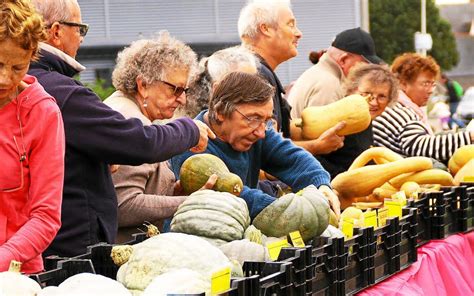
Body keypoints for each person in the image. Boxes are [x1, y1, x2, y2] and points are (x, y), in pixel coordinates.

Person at [29, 0, 214, 257]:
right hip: (71, 249)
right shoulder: (62, 92)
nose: (182, 98)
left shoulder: (45, 87)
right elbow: (139, 146)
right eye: (79, 29)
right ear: (57, 31)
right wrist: (189, 130)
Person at [171, 72, 341, 218]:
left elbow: (295, 159)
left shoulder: (258, 135)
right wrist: (294, 212)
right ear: (221, 111)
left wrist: (321, 185)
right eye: (253, 119)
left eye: (266, 121)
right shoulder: (191, 145)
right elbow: (236, 195)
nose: (261, 132)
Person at [104, 33, 214, 242]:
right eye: (175, 89)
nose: (182, 99)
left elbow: (140, 188)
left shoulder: (132, 114)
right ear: (143, 85)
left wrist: (173, 191)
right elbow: (123, 205)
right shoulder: (129, 121)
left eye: (185, 90)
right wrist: (190, 202)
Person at [0, 0, 65, 273]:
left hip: (17, 274)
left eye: (18, 67)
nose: (5, 78)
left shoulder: (42, 113)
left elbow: (46, 216)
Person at [238, 0, 344, 156]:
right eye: (291, 24)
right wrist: (316, 146)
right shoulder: (254, 75)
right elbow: (266, 149)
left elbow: (281, 131)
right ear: (265, 29)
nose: (299, 33)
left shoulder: (257, 70)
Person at [373, 53, 473, 162]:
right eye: (425, 84)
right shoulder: (399, 112)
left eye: (433, 84)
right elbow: (423, 147)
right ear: (403, 84)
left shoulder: (395, 105)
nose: (431, 90)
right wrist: (470, 137)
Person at [316, 64, 399, 178]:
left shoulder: (365, 119)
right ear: (352, 90)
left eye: (382, 96)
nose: (374, 102)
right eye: (366, 93)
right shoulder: (339, 117)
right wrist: (341, 178)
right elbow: (314, 155)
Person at [288, 27, 383, 118]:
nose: (365, 73)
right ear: (344, 60)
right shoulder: (329, 85)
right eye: (363, 65)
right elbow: (323, 133)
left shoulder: (318, 74)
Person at [182, 45, 259, 118]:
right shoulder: (196, 127)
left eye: (256, 80)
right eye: (244, 83)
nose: (255, 88)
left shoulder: (261, 116)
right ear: (218, 88)